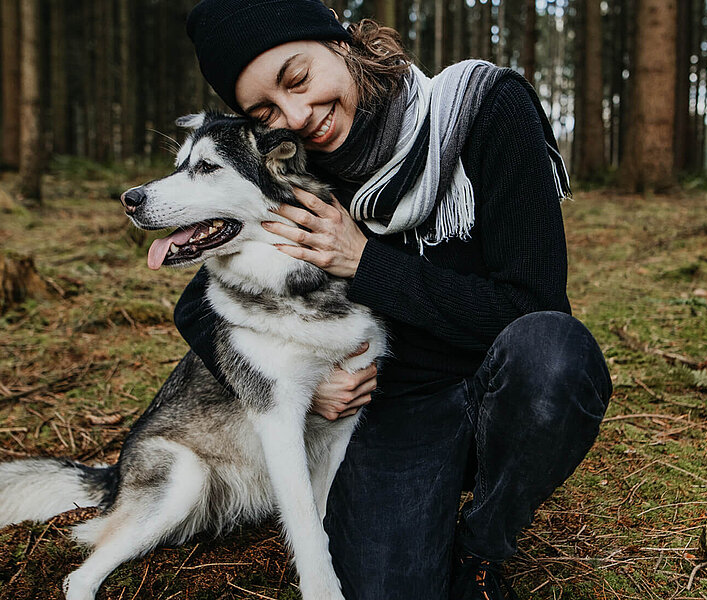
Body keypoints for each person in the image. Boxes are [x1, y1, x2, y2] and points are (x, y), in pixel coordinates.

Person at [178, 1, 613, 599]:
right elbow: (197, 304)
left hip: (503, 385)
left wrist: (366, 263)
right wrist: (311, 387)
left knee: (555, 355)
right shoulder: (299, 172)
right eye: (267, 112)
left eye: (299, 79)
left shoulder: (486, 108)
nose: (299, 116)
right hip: (396, 408)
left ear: (340, 42)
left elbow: (534, 304)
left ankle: (484, 547)